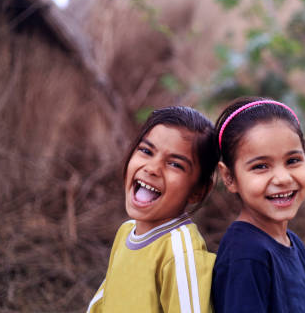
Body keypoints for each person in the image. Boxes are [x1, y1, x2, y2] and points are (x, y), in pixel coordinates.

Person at [87, 106, 219, 313]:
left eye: (175, 164)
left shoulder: (181, 253)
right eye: (146, 151)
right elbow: (105, 300)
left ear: (198, 191)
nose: (152, 168)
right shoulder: (126, 232)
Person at [211, 97, 305, 313]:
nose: (283, 178)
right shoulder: (247, 255)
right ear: (229, 177)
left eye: (293, 160)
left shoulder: (293, 244)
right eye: (261, 166)